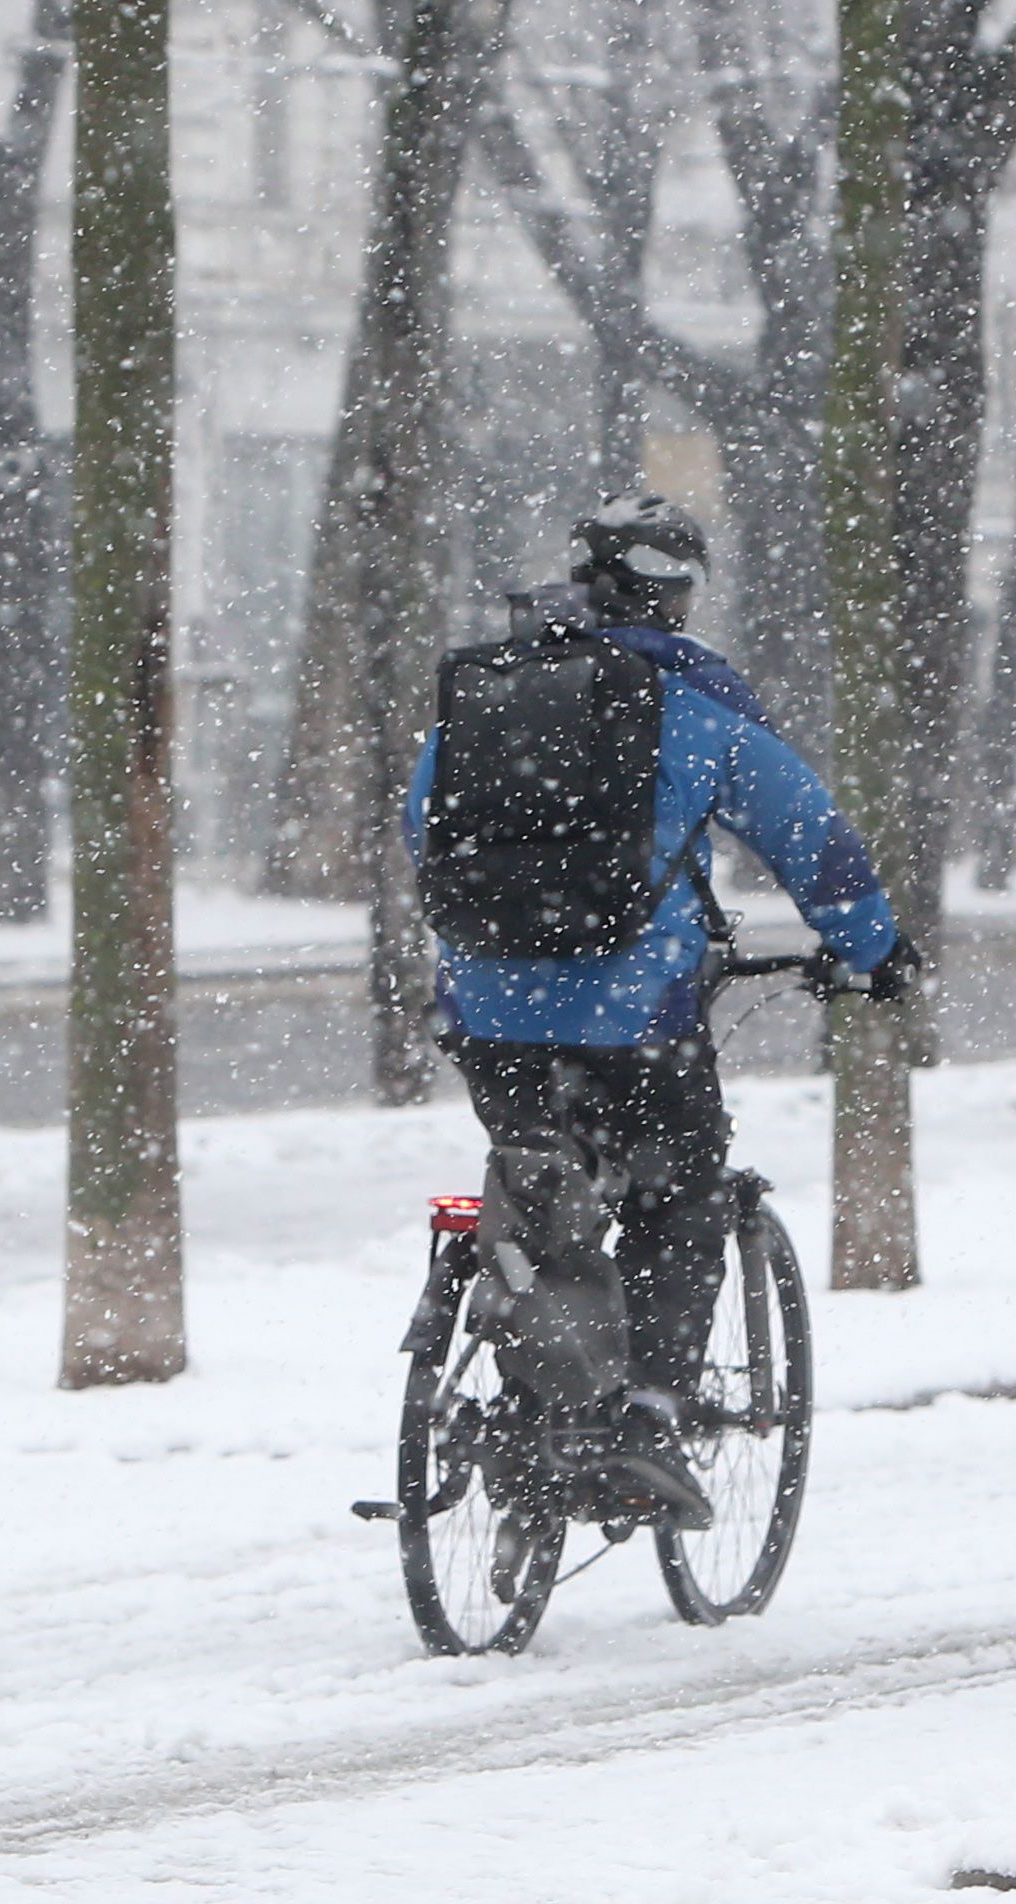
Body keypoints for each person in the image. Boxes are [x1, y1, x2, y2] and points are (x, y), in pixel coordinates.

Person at [405, 493, 915, 1529]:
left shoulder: (490, 696)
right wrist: (874, 949)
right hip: (634, 1013)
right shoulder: (690, 703)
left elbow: (427, 827)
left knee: (540, 1189)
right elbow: (810, 835)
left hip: (493, 1011)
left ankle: (529, 1409)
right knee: (676, 1189)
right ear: (675, 595)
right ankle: (644, 1415)